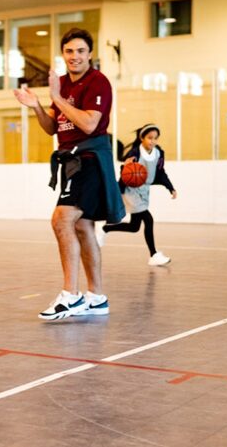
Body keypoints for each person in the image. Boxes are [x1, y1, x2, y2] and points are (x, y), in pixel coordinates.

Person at [13, 28, 125, 320]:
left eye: (80, 51)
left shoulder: (98, 82)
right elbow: (53, 127)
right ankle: (97, 297)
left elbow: (89, 124)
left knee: (61, 219)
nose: (74, 57)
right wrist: (38, 105)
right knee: (82, 227)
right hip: (70, 159)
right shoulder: (61, 83)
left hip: (89, 158)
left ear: (90, 54)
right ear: (63, 54)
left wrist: (57, 98)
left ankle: (70, 295)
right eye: (69, 52)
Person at [97, 124, 175, 266]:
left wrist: (170, 187)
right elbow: (125, 174)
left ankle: (105, 228)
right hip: (131, 190)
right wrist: (119, 189)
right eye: (149, 138)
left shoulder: (158, 153)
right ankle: (154, 255)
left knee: (134, 227)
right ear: (142, 138)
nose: (152, 141)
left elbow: (160, 173)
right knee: (148, 219)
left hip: (144, 190)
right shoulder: (134, 153)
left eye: (155, 138)